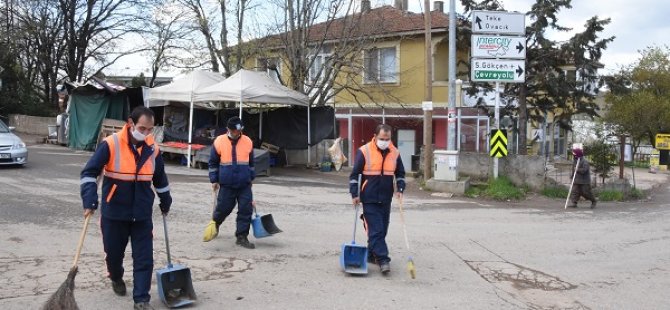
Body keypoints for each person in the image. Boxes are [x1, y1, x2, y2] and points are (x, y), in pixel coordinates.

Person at [80, 106, 172, 310]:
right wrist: (89, 200)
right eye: (142, 128)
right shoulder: (110, 144)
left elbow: (160, 179)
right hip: (114, 213)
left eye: (150, 129)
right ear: (130, 123)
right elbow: (89, 173)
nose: (146, 133)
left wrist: (166, 200)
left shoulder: (152, 149)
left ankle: (141, 300)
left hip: (141, 214)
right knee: (113, 256)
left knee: (144, 258)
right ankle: (116, 277)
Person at [349, 124, 406, 274]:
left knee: (382, 230)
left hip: (386, 198)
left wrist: (400, 188)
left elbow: (400, 173)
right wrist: (354, 194)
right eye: (382, 138)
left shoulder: (395, 152)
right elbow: (354, 175)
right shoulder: (364, 151)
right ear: (375, 137)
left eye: (387, 139)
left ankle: (370, 254)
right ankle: (383, 260)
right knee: (376, 231)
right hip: (369, 197)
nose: (384, 141)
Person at [203, 116, 256, 249]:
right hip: (226, 183)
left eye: (239, 131)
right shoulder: (219, 141)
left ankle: (241, 236)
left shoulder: (248, 141)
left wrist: (251, 177)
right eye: (234, 131)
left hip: (244, 184)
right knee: (223, 209)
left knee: (245, 210)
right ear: (228, 129)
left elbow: (251, 163)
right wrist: (214, 180)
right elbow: (213, 163)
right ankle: (215, 225)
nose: (237, 133)